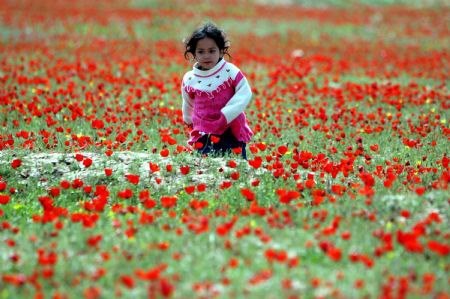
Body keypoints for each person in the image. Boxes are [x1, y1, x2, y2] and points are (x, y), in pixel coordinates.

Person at [181, 22, 253, 159]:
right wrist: (188, 119)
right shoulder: (190, 78)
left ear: (221, 51)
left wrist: (228, 113)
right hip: (203, 130)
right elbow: (187, 101)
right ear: (194, 54)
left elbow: (245, 92)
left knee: (234, 163)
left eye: (212, 51)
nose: (206, 56)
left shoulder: (230, 71)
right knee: (207, 164)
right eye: (201, 51)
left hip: (230, 127)